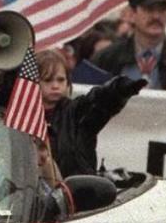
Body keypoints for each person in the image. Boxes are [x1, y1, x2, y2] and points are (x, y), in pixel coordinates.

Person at [36, 49, 146, 177]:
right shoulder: (21, 116)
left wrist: (118, 89)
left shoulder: (76, 112)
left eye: (61, 80)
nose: (55, 85)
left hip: (77, 192)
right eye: (48, 80)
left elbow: (98, 101)